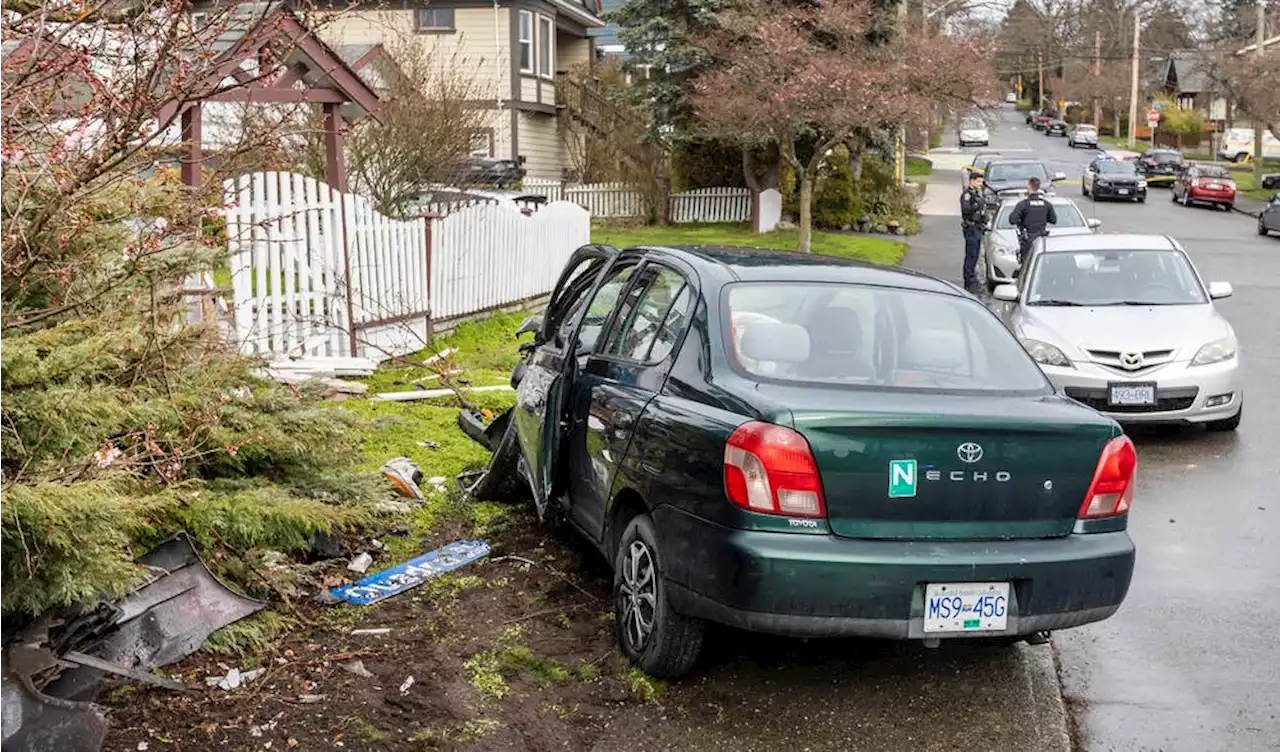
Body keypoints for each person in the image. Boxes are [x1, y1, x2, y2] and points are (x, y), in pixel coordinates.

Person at [1008, 176, 1057, 269]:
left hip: (1028, 240)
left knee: (1026, 266)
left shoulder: (1023, 204)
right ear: (1039, 187)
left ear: (1029, 186)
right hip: (1042, 239)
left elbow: (1012, 220)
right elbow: (1053, 220)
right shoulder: (1047, 204)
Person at [959, 169, 987, 292]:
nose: (981, 184)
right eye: (979, 181)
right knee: (970, 256)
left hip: (977, 228)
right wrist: (976, 206)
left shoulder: (977, 193)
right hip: (971, 228)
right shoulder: (968, 194)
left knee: (975, 256)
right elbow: (965, 210)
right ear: (972, 181)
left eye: (982, 181)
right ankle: (969, 282)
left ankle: (973, 280)